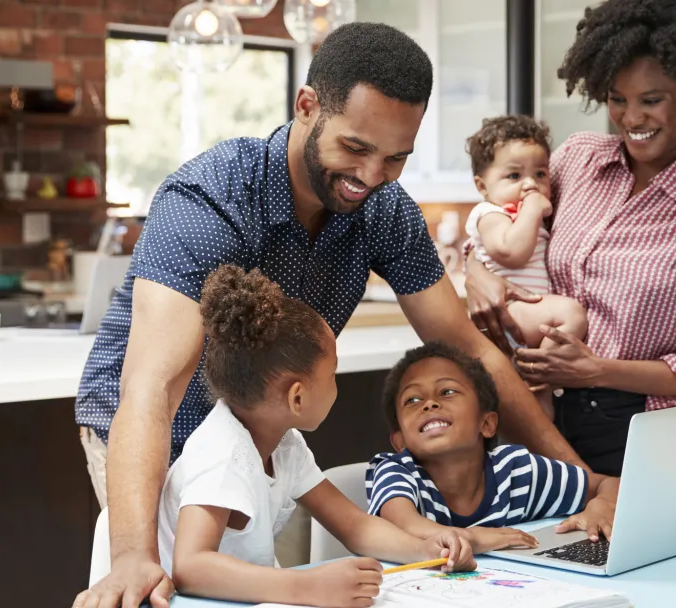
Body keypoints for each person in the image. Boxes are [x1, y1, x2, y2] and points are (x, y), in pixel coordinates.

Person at [72, 22, 581, 608]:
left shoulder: (384, 211)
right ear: (307, 106)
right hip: (152, 432)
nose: (371, 176)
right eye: (356, 148)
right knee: (159, 584)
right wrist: (132, 556)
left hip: (261, 435)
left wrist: (585, 484)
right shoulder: (212, 198)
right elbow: (153, 387)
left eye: (395, 158)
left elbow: (467, 348)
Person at [465, 0, 676, 477]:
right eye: (617, 99)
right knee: (530, 526)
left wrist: (598, 369)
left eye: (651, 100)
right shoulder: (577, 159)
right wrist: (475, 271)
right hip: (531, 401)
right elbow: (506, 224)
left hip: (629, 422)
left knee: (613, 528)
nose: (630, 118)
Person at [154, 265, 475, 607]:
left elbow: (355, 526)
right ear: (297, 398)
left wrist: (425, 550)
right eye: (332, 373)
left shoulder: (284, 445)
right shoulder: (222, 451)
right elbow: (191, 567)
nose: (336, 384)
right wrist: (307, 586)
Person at [366, 342, 620, 548]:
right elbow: (405, 526)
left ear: (486, 423)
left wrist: (601, 505)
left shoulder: (517, 471)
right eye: (412, 399)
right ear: (400, 441)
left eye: (447, 392)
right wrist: (472, 538)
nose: (429, 404)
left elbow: (611, 484)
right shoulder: (396, 471)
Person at [461, 116, 589, 419]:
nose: (530, 184)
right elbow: (510, 252)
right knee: (572, 313)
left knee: (538, 413)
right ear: (482, 186)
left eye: (540, 173)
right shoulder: (490, 213)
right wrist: (533, 208)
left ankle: (537, 391)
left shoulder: (524, 217)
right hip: (508, 310)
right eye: (514, 175)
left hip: (526, 313)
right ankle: (538, 368)